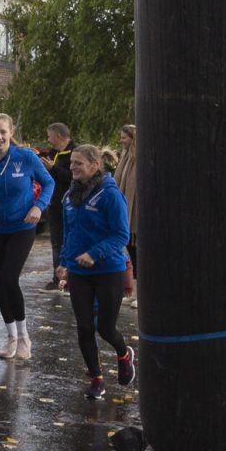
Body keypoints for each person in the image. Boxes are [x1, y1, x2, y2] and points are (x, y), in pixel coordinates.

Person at [0, 113, 55, 363]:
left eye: (3, 132)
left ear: (11, 131)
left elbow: (48, 183)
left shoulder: (25, 157)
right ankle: (11, 337)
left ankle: (25, 336)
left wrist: (39, 207)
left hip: (21, 226)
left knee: (9, 277)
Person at [55, 143, 135, 398]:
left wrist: (94, 253)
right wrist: (64, 263)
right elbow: (70, 233)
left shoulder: (110, 194)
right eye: (71, 163)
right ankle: (97, 378)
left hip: (108, 270)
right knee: (85, 327)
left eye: (78, 163)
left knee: (105, 329)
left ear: (95, 165)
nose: (73, 168)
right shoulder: (69, 196)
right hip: (79, 273)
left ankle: (124, 354)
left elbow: (121, 235)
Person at [40, 123, 73, 291]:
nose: (48, 139)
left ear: (59, 136)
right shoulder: (52, 153)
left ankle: (71, 278)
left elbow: (70, 177)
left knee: (70, 240)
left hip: (71, 204)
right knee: (56, 242)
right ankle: (57, 277)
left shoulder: (75, 152)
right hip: (54, 205)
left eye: (49, 135)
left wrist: (53, 168)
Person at [115, 123, 139, 292]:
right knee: (131, 251)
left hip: (136, 214)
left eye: (124, 138)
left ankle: (140, 292)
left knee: (138, 253)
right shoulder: (124, 158)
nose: (121, 141)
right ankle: (134, 291)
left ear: (133, 139)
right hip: (125, 211)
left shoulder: (140, 158)